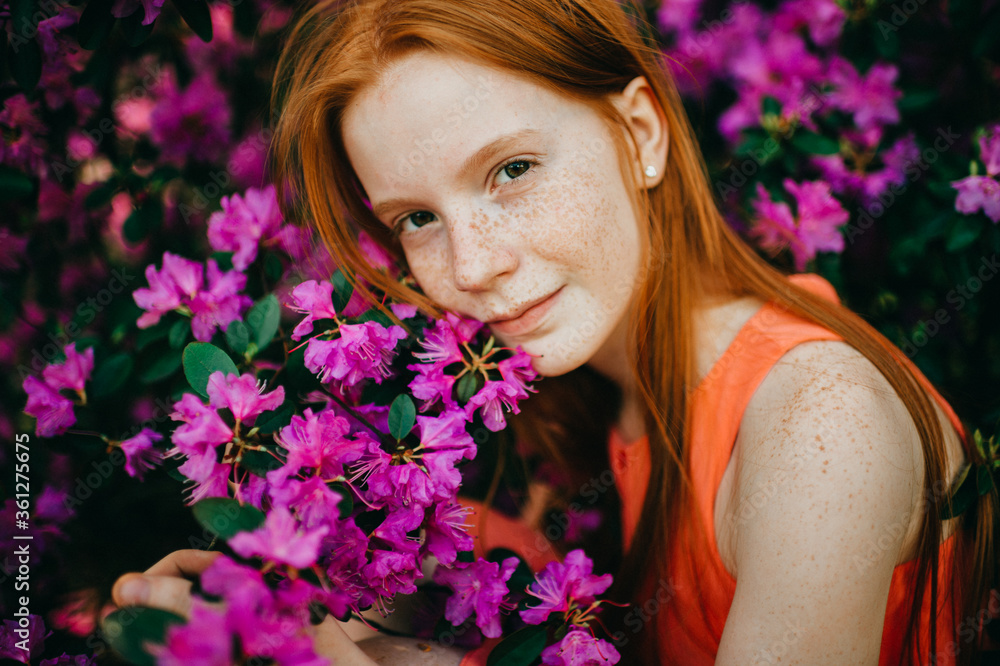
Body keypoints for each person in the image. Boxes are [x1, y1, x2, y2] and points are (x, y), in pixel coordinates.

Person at [112, 0, 1000, 664]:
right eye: (416, 218)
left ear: (642, 131)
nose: (472, 265)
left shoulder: (820, 424)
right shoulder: (598, 407)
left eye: (512, 169)